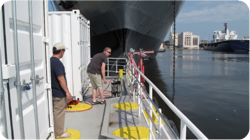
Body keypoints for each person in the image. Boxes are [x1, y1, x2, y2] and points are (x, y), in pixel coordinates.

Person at [50, 42, 72, 138]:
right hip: (59, 93)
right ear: (61, 51)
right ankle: (59, 133)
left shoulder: (49, 60)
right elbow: (61, 78)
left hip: (52, 92)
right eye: (64, 51)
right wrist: (67, 92)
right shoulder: (58, 63)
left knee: (54, 112)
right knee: (59, 113)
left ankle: (57, 129)